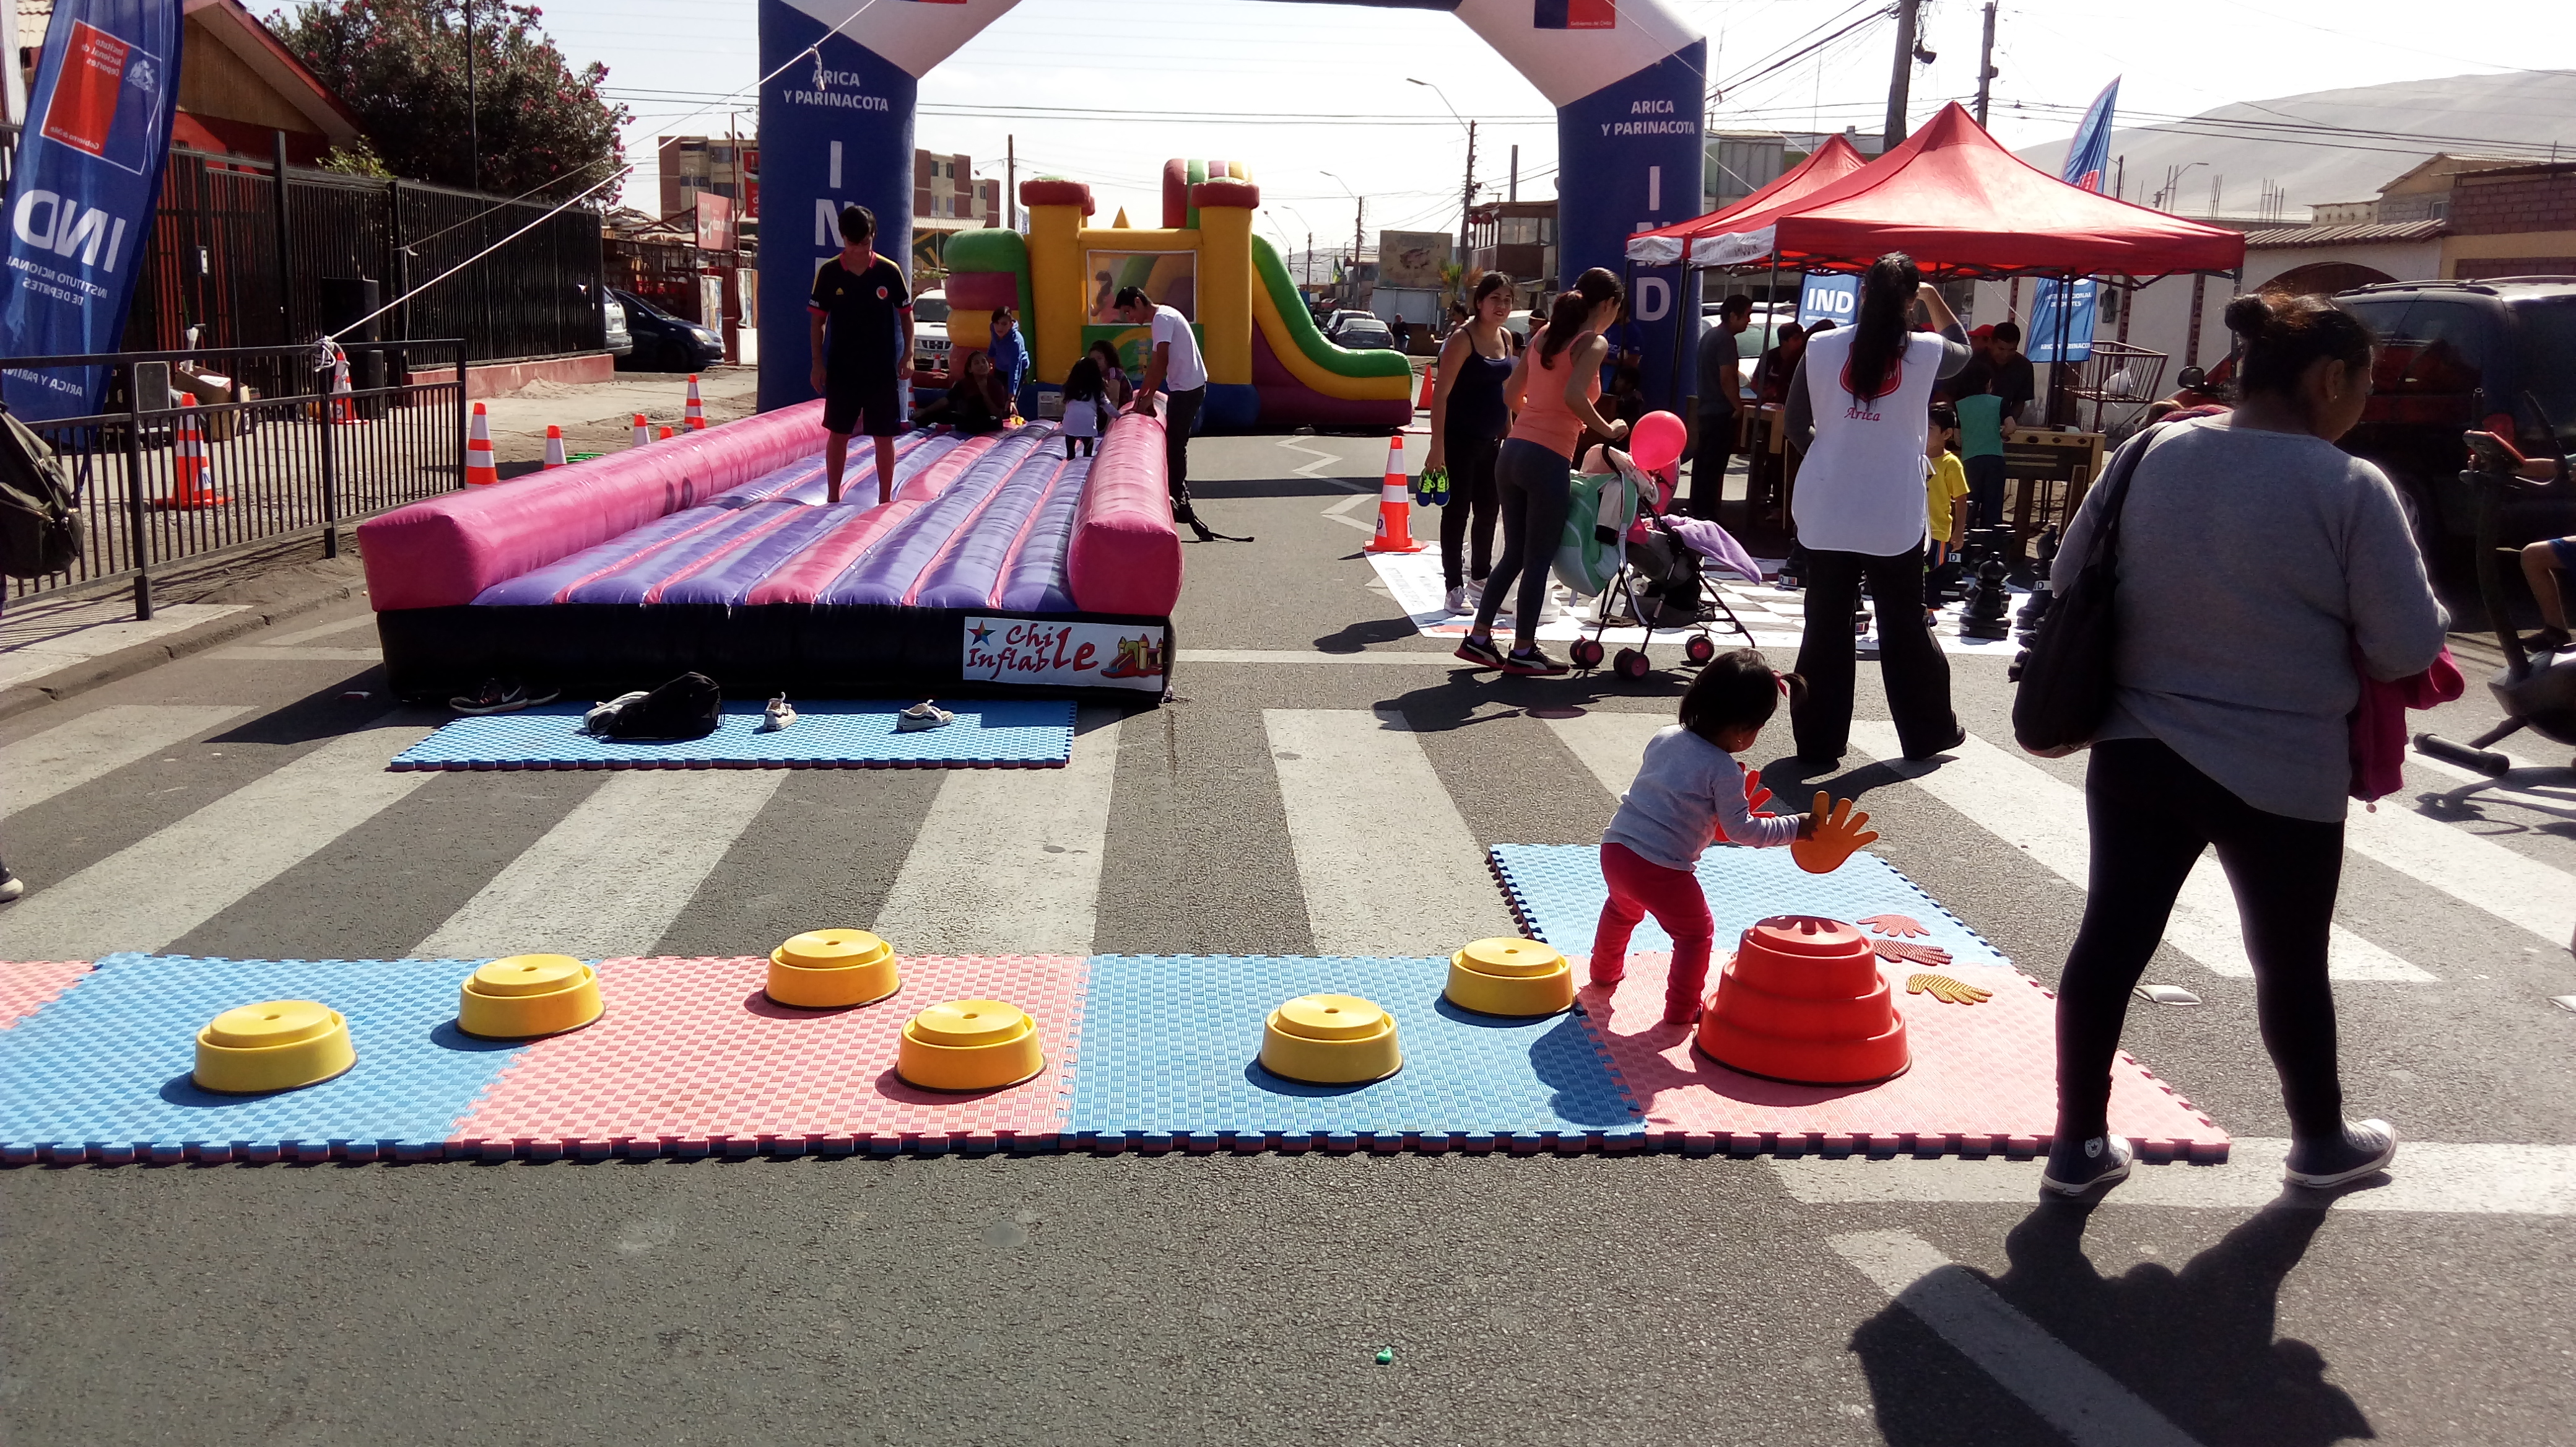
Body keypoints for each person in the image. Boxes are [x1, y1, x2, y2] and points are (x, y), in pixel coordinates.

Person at [2041, 292, 2447, 1198]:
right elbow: (2404, 647)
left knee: (2110, 942)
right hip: (2284, 771)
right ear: (2330, 377)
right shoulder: (2351, 487)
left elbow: (2069, 575)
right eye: (2366, 385)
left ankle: (2077, 1145)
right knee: (2290, 960)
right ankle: (2320, 1142)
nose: (2364, 405)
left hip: (2138, 747)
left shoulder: (2150, 451)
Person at [1780, 253, 1973, 764]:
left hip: (1827, 506)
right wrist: (1933, 297)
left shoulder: (1820, 346)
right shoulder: (1925, 351)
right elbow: (1965, 348)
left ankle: (1818, 743)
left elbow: (1795, 424)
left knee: (1825, 625)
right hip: (1893, 507)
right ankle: (1927, 734)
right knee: (1904, 622)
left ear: (1862, 294)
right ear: (1909, 303)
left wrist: (1834, 457)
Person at [1590, 650, 1814, 1025]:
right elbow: (1744, 832)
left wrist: (1712, 819)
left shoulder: (1664, 736)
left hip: (1616, 850)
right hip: (1662, 869)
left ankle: (1603, 972)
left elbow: (1672, 798)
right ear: (1744, 730)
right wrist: (1796, 828)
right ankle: (1682, 1009)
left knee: (1621, 909)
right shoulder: (1724, 770)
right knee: (1695, 934)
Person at [1455, 266, 1629, 676]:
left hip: (1513, 451)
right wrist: (1608, 430)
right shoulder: (1593, 342)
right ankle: (1523, 649)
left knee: (1515, 553)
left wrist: (1537, 414)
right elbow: (1574, 395)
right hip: (1547, 457)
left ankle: (1479, 639)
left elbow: (1510, 393)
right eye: (1617, 310)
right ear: (1608, 304)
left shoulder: (1545, 335)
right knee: (1538, 558)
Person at [806, 203, 913, 506]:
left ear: (873, 236)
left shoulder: (889, 271)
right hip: (843, 367)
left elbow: (906, 314)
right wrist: (817, 363)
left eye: (865, 243)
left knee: (884, 435)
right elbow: (818, 321)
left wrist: (908, 353)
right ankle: (833, 495)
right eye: (853, 244)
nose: (859, 250)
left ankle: (884, 498)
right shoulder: (829, 273)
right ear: (843, 238)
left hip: (880, 367)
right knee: (838, 432)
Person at [1427, 271, 1517, 616]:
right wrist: (1437, 447)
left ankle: (1481, 579)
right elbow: (1440, 396)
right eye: (1495, 299)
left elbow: (1505, 391)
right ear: (1480, 302)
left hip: (1491, 441)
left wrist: (1509, 431)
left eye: (1507, 300)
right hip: (1459, 440)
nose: (1502, 306)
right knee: (1457, 512)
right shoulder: (1462, 340)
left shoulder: (1506, 338)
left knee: (1488, 511)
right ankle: (1454, 586)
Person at [1117, 285, 1219, 542]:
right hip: (1187, 385)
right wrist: (1144, 395)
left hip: (1188, 387)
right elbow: (1157, 362)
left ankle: (1179, 497)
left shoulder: (1162, 319)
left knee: (1176, 443)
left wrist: (1147, 396)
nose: (1130, 318)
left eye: (1129, 312)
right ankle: (1179, 496)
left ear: (1139, 302)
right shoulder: (1164, 316)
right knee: (1175, 441)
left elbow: (1160, 361)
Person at [1689, 294, 1754, 517]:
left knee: (1703, 464)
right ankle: (1706, 514)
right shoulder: (1725, 339)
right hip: (1719, 411)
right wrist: (1738, 406)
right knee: (1713, 466)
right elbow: (1727, 377)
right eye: (1747, 315)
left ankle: (1699, 510)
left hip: (1707, 409)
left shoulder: (1710, 335)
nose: (1749, 320)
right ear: (1733, 316)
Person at [1921, 402, 1969, 624]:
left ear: (1947, 434)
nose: (1924, 431)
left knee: (1932, 571)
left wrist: (1959, 532)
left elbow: (1961, 499)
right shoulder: (1914, 457)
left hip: (1938, 530)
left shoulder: (1951, 464)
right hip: (1912, 528)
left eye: (1930, 428)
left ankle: (1929, 612)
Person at [1952, 375, 2008, 532]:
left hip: (1970, 461)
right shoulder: (1999, 402)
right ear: (1988, 384)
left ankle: (1965, 539)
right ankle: (1990, 542)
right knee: (1993, 505)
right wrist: (2001, 435)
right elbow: (2011, 427)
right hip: (1995, 459)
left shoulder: (1959, 406)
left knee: (1969, 504)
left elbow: (1957, 440)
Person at [916, 349, 1011, 434]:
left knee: (995, 423)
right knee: (942, 413)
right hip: (968, 418)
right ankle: (914, 423)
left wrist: (985, 393)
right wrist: (925, 411)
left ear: (990, 367)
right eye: (977, 363)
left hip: (985, 419)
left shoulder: (996, 384)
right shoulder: (964, 383)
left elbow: (996, 413)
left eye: (983, 362)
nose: (981, 365)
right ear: (970, 369)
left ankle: (955, 427)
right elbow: (946, 400)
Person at [1060, 352, 1111, 458]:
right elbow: (1108, 407)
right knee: (1088, 440)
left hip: (1070, 424)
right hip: (1088, 424)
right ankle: (1087, 456)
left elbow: (1067, 405)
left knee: (1070, 437)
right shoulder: (1097, 391)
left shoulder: (1070, 389)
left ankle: (1070, 455)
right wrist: (1120, 416)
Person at [1749, 320, 1806, 406]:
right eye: (1796, 339)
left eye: (1802, 339)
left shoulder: (1803, 359)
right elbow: (1754, 384)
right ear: (1784, 342)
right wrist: (1766, 393)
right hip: (1769, 406)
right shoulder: (1769, 357)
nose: (1800, 342)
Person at [988, 308, 1029, 410]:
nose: (1000, 327)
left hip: (1018, 368)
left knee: (1009, 402)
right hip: (1001, 365)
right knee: (997, 395)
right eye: (997, 323)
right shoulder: (993, 329)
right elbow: (994, 343)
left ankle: (1011, 414)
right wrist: (989, 357)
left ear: (1011, 325)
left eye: (1004, 324)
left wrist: (1011, 397)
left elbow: (1015, 369)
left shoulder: (1016, 341)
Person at [1087, 339, 1135, 411]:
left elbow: (1114, 400)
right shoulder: (1097, 375)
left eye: (1099, 358)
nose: (1096, 363)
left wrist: (1111, 419)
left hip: (1120, 412)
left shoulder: (1114, 373)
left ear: (1108, 359)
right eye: (1093, 360)